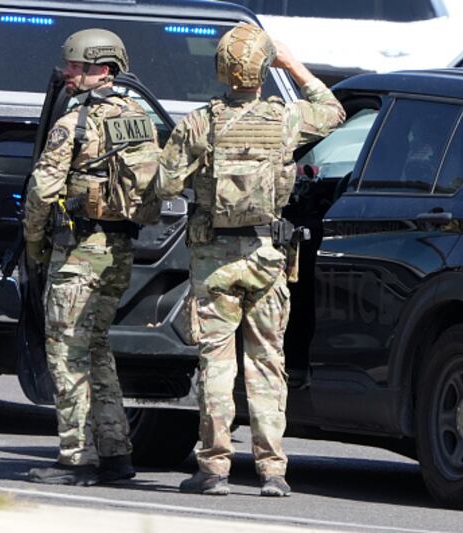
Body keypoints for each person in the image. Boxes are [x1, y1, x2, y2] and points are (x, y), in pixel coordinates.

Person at [155, 23, 345, 496]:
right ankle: (272, 470)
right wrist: (292, 64)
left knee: (216, 364)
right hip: (266, 256)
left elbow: (165, 184)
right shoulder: (286, 120)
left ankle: (214, 468)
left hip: (214, 261)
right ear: (263, 70)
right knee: (266, 361)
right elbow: (334, 111)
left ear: (222, 69)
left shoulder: (199, 123)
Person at [23, 29, 159, 486]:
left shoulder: (74, 123)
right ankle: (116, 452)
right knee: (97, 350)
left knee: (67, 353)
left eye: (77, 66)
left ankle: (76, 457)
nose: (69, 72)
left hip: (79, 252)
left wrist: (34, 243)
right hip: (119, 251)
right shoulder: (139, 118)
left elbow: (42, 190)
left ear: (103, 68)